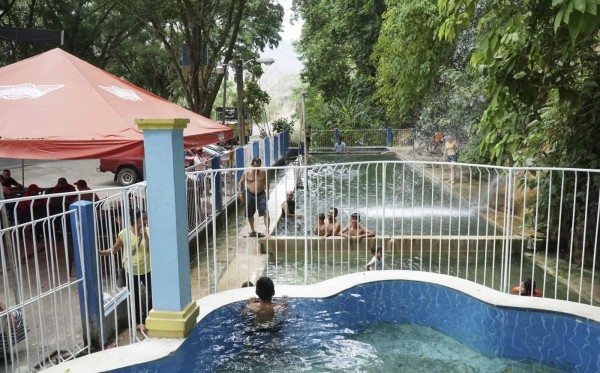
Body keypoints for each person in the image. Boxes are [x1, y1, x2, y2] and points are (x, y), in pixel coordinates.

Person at [99, 210, 152, 332]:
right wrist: (100, 253)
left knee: (154, 294)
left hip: (147, 269)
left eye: (146, 218)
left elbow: (152, 248)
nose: (145, 221)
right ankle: (138, 323)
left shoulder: (148, 231)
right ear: (135, 220)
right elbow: (114, 249)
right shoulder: (124, 233)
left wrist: (145, 237)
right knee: (135, 297)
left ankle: (146, 317)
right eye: (143, 219)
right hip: (131, 270)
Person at [238, 157, 270, 238]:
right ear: (252, 164)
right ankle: (252, 230)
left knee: (266, 212)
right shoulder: (247, 172)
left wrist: (268, 193)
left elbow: (267, 183)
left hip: (261, 194)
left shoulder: (263, 172)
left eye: (259, 166)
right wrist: (240, 193)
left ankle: (267, 231)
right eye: (255, 166)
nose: (257, 168)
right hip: (250, 194)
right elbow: (240, 182)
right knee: (249, 213)